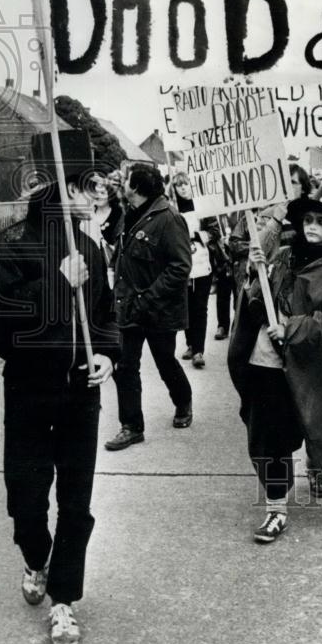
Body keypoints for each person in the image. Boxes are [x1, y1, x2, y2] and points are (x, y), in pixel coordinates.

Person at [0, 131, 119, 644]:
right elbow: (2, 324)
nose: (92, 196)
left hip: (81, 393)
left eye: (92, 186)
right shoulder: (7, 247)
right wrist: (59, 283)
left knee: (76, 503)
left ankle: (65, 602)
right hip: (29, 393)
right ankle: (35, 559)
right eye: (80, 186)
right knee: (27, 501)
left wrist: (107, 353)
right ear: (49, 188)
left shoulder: (92, 250)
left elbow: (105, 317)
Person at [227, 181, 322, 542]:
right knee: (269, 438)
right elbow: (255, 301)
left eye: (321, 222)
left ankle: (320, 467)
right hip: (268, 362)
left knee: (321, 427)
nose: (312, 227)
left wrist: (293, 327)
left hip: (312, 370)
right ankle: (276, 509)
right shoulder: (281, 256)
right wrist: (255, 274)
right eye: (308, 220)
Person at [105, 164, 193, 450]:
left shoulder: (169, 218)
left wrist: (148, 297)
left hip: (158, 310)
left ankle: (183, 401)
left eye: (127, 179)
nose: (122, 182)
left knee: (165, 361)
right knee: (125, 365)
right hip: (129, 307)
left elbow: (180, 267)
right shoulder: (129, 215)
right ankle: (131, 426)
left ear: (137, 186)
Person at [171, 173, 213, 369]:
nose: (183, 188)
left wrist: (196, 234)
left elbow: (215, 231)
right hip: (182, 263)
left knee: (200, 307)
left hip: (202, 262)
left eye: (185, 184)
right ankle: (190, 344)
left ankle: (199, 350)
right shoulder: (172, 209)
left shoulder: (203, 207)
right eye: (178, 186)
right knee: (186, 305)